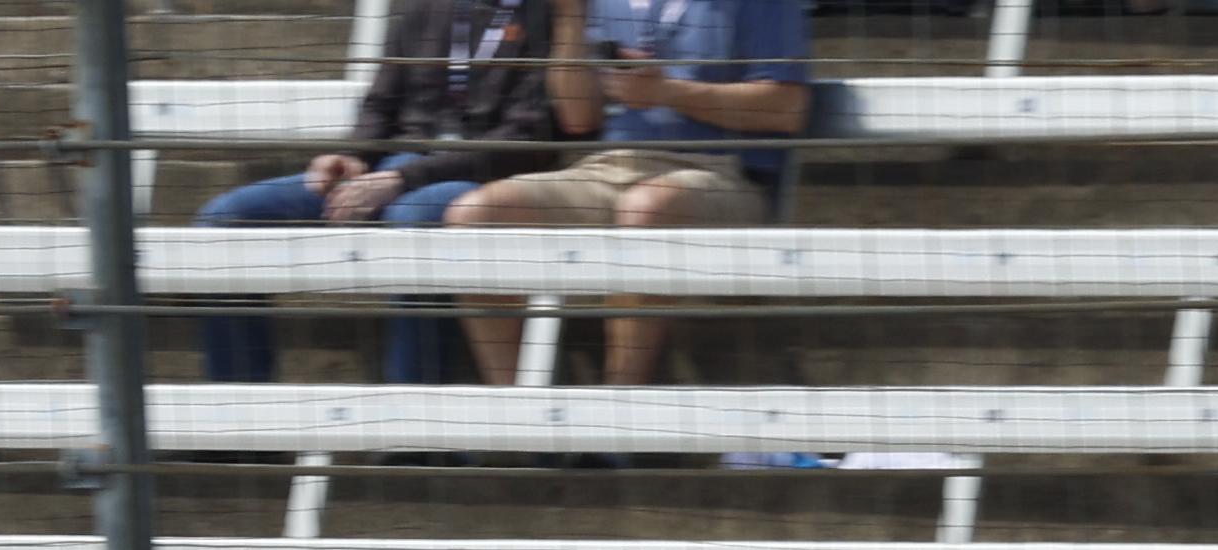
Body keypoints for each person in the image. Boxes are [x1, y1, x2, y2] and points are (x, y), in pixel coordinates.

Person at [443, 0, 805, 391]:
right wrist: (570, 15)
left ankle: (615, 424)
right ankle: (519, 428)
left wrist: (669, 92)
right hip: (609, 166)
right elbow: (577, 116)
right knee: (475, 216)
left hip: (722, 171)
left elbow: (787, 108)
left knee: (646, 208)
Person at [193, 0, 557, 387]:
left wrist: (404, 177)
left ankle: (418, 437)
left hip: (474, 176)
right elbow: (380, 103)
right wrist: (351, 156)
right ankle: (244, 431)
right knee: (225, 222)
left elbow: (522, 141)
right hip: (389, 169)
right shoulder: (427, 10)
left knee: (411, 224)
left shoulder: (547, 15)